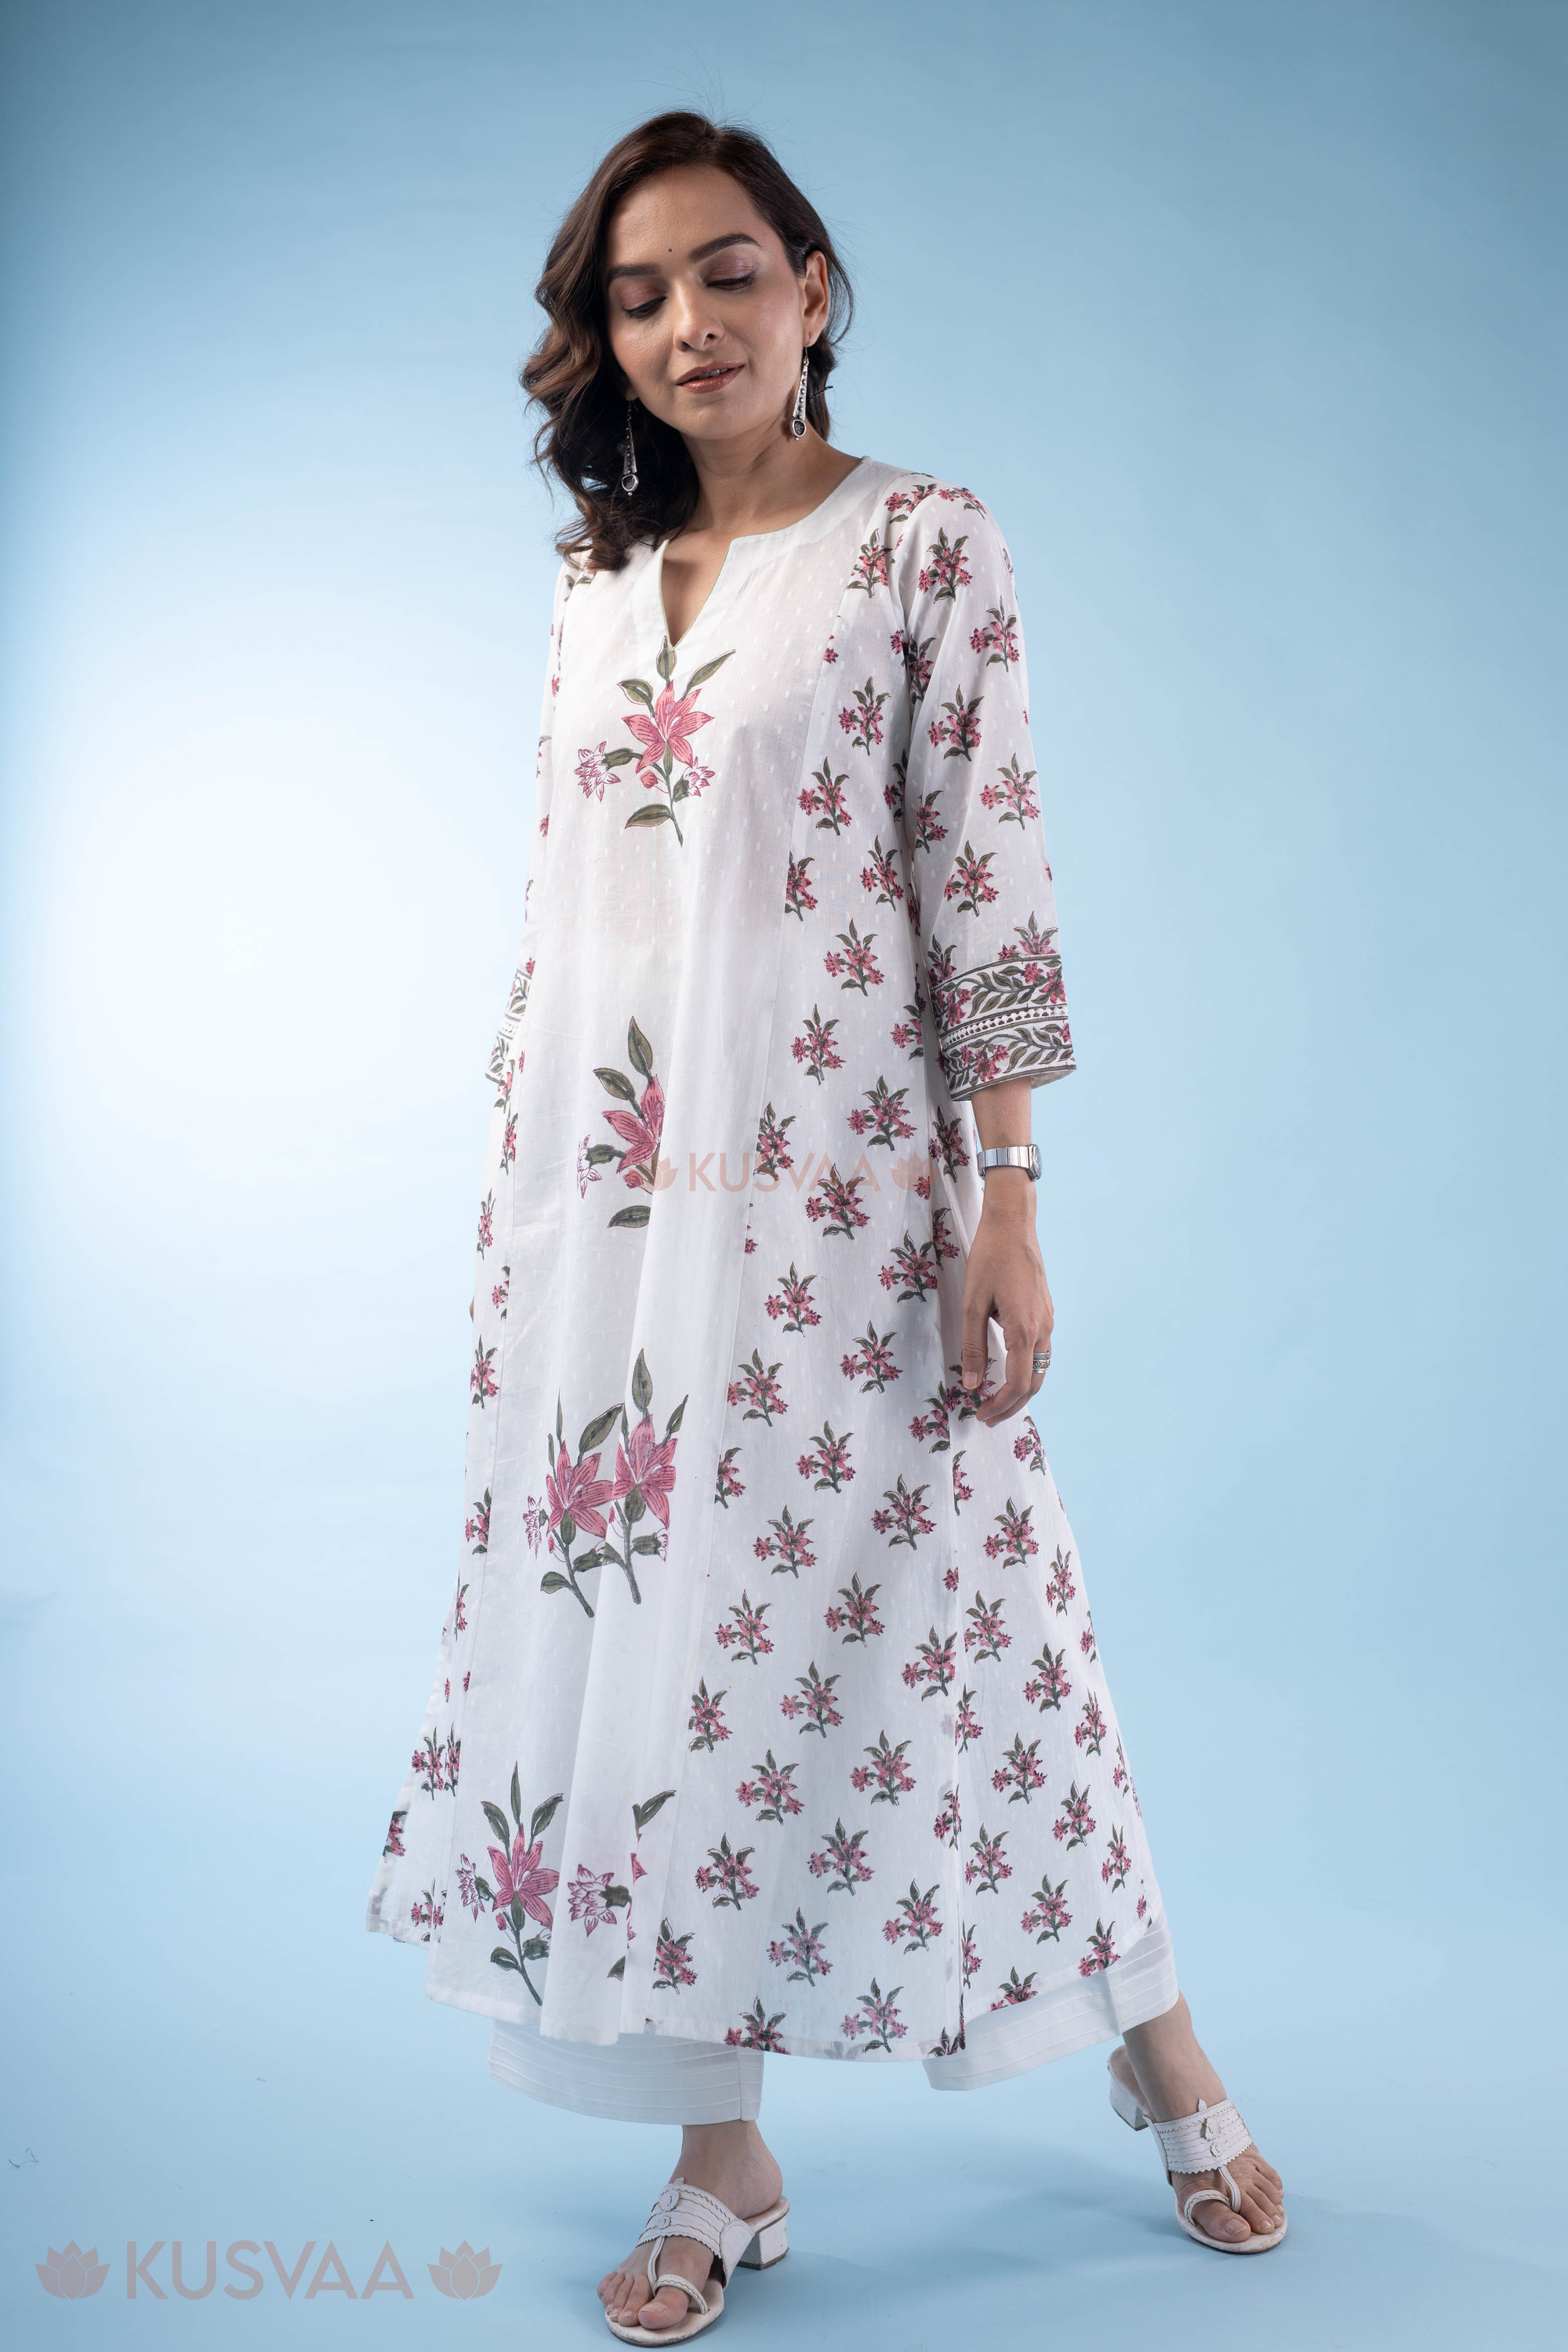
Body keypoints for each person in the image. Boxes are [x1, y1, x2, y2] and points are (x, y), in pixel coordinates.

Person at [365, 109, 1287, 2342]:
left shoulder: (923, 547)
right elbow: (575, 910)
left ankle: (1162, 2045)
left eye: (727, 272)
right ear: (603, 339)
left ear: (812, 289)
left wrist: (1011, 1196)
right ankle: (724, 2152)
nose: (688, 322)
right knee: (659, 1650)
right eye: (638, 294)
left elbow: (989, 881)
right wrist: (527, 1201)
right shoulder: (593, 583)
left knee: (976, 1615)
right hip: (602, 1223)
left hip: (839, 1217)